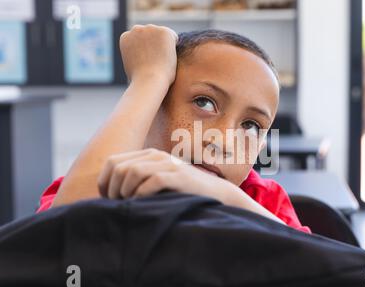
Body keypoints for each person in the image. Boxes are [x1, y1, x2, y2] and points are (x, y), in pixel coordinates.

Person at [37, 26, 311, 233]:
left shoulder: (264, 201)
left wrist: (223, 195)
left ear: (260, 147)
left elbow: (320, 272)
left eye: (251, 126)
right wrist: (149, 77)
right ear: (151, 105)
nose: (225, 142)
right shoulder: (91, 185)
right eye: (204, 102)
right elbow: (61, 242)